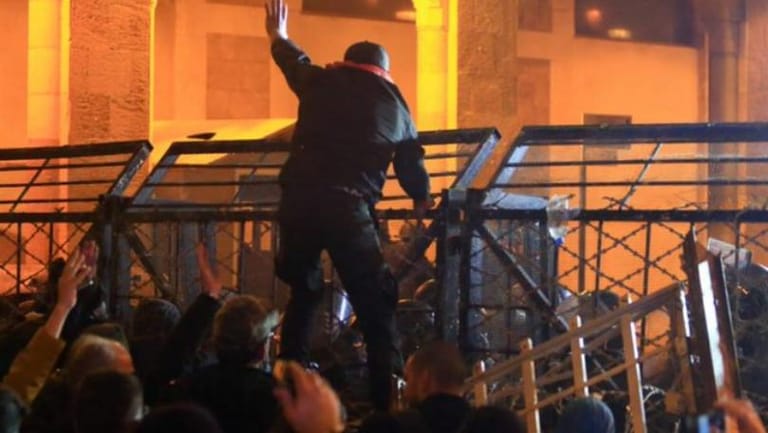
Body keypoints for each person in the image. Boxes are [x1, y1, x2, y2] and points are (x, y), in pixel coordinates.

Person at [265, 0, 434, 411]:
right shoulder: (396, 105)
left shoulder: (322, 82)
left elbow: (295, 63)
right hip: (350, 208)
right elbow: (411, 162)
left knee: (304, 291)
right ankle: (384, 402)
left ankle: (288, 390)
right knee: (375, 306)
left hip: (299, 203)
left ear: (346, 63)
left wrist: (278, 35)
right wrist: (420, 197)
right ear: (383, 71)